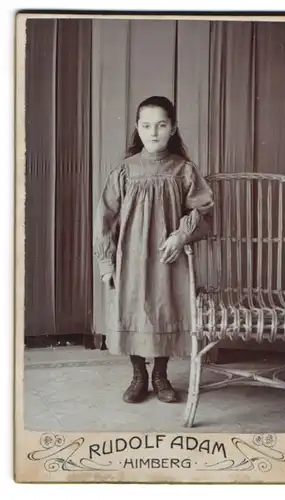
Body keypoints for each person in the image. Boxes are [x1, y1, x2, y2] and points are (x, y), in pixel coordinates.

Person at [93, 96, 214, 405]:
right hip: (131, 258)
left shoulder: (184, 170)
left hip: (167, 257)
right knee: (133, 309)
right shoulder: (125, 171)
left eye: (161, 125)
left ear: (173, 128)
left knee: (164, 310)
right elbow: (105, 219)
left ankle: (160, 375)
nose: (154, 132)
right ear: (137, 128)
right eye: (146, 126)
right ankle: (138, 376)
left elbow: (205, 212)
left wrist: (181, 236)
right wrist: (106, 263)